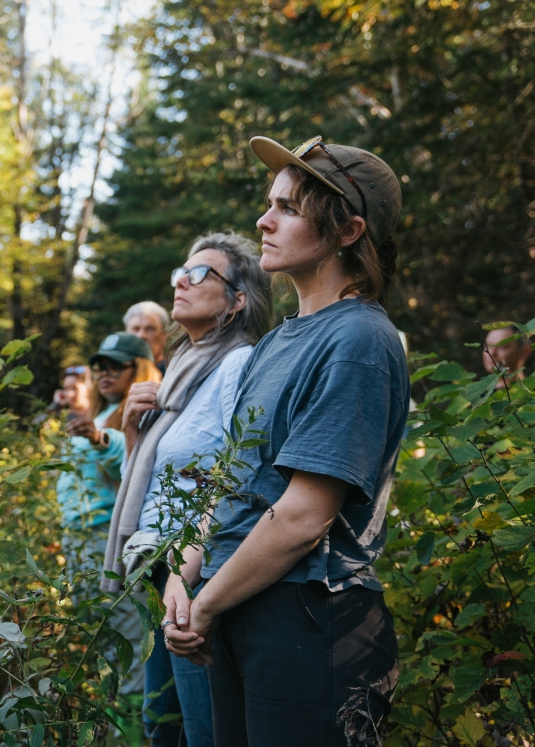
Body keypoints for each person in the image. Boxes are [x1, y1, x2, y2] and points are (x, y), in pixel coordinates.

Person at [163, 135, 410, 746]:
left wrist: (207, 603)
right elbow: (231, 476)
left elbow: (302, 518)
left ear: (348, 230)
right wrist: (181, 575)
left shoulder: (357, 341)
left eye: (289, 208)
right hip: (241, 605)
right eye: (269, 202)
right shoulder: (279, 340)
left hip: (310, 618)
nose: (263, 220)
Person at [101, 233, 273, 747]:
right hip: (161, 573)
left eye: (201, 273)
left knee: (204, 734)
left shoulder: (238, 364)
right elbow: (159, 478)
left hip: (195, 577)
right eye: (181, 269)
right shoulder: (182, 368)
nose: (182, 279)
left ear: (237, 300)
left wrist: (184, 578)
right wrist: (133, 430)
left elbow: (236, 474)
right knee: (162, 729)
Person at [56, 333, 160, 692]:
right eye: (100, 365)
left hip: (109, 538)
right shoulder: (97, 412)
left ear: (141, 367)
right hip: (79, 539)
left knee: (125, 633)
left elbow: (128, 459)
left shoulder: (143, 413)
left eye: (117, 365)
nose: (105, 372)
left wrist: (99, 438)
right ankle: (110, 717)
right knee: (100, 637)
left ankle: (134, 726)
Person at [124, 302, 172, 372]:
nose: (141, 336)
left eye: (150, 329)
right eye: (135, 329)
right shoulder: (115, 375)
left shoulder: (173, 373)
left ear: (164, 337)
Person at [483, 324, 532, 389]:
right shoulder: (475, 395)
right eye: (488, 346)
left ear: (524, 352)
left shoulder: (530, 395)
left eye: (502, 347)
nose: (491, 353)